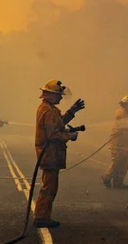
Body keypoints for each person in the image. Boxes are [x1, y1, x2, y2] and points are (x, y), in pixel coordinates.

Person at [33, 79, 85, 229]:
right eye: (59, 95)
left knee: (50, 186)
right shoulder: (48, 110)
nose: (61, 98)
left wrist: (72, 111)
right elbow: (53, 134)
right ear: (51, 95)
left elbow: (58, 123)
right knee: (49, 187)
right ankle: (41, 217)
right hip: (50, 153)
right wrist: (70, 136)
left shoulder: (48, 108)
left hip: (50, 153)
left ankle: (43, 216)